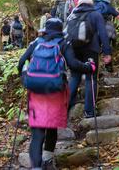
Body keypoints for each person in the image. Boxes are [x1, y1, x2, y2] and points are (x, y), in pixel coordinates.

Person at [18, 18, 96, 170]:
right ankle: (47, 161)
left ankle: (36, 167)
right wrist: (89, 67)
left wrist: (26, 74)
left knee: (37, 132)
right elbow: (74, 65)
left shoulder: (36, 43)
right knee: (51, 126)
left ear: (46, 30)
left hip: (36, 91)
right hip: (56, 90)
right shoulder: (64, 44)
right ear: (60, 30)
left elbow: (21, 62)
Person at [67, 0, 111, 118]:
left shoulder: (71, 16)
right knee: (91, 79)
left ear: (79, 4)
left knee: (74, 77)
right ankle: (89, 111)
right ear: (91, 4)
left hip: (73, 51)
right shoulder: (95, 14)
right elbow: (103, 33)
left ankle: (67, 106)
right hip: (91, 50)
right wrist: (107, 52)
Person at [93, 0, 119, 72]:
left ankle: (94, 67)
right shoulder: (108, 7)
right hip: (106, 30)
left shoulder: (92, 6)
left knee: (95, 48)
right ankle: (108, 66)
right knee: (107, 45)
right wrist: (118, 11)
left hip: (94, 30)